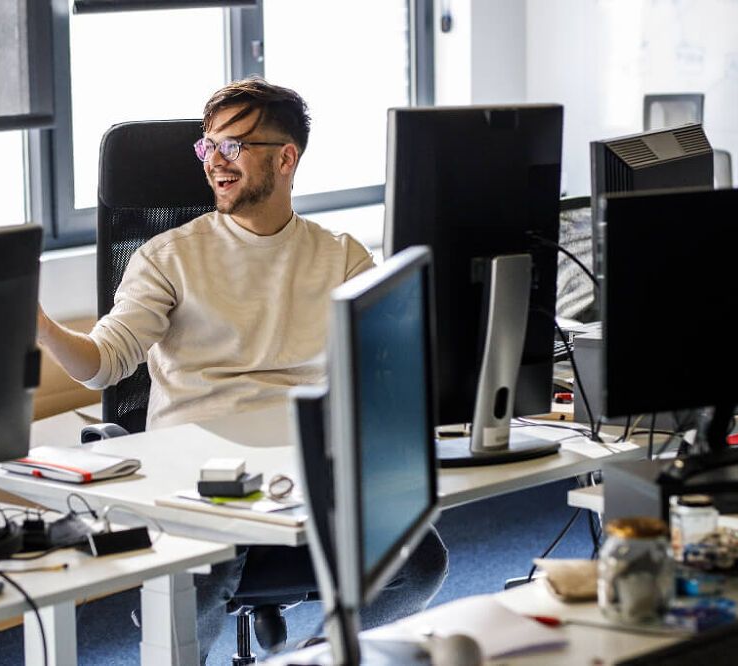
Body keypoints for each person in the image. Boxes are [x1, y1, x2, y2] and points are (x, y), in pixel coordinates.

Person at [37, 77, 447, 662]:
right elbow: (105, 364)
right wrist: (43, 330)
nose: (215, 163)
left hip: (305, 472)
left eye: (234, 147)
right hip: (205, 476)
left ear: (286, 157)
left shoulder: (342, 256)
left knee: (420, 562)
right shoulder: (169, 256)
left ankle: (313, 657)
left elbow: (384, 368)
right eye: (208, 147)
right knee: (210, 570)